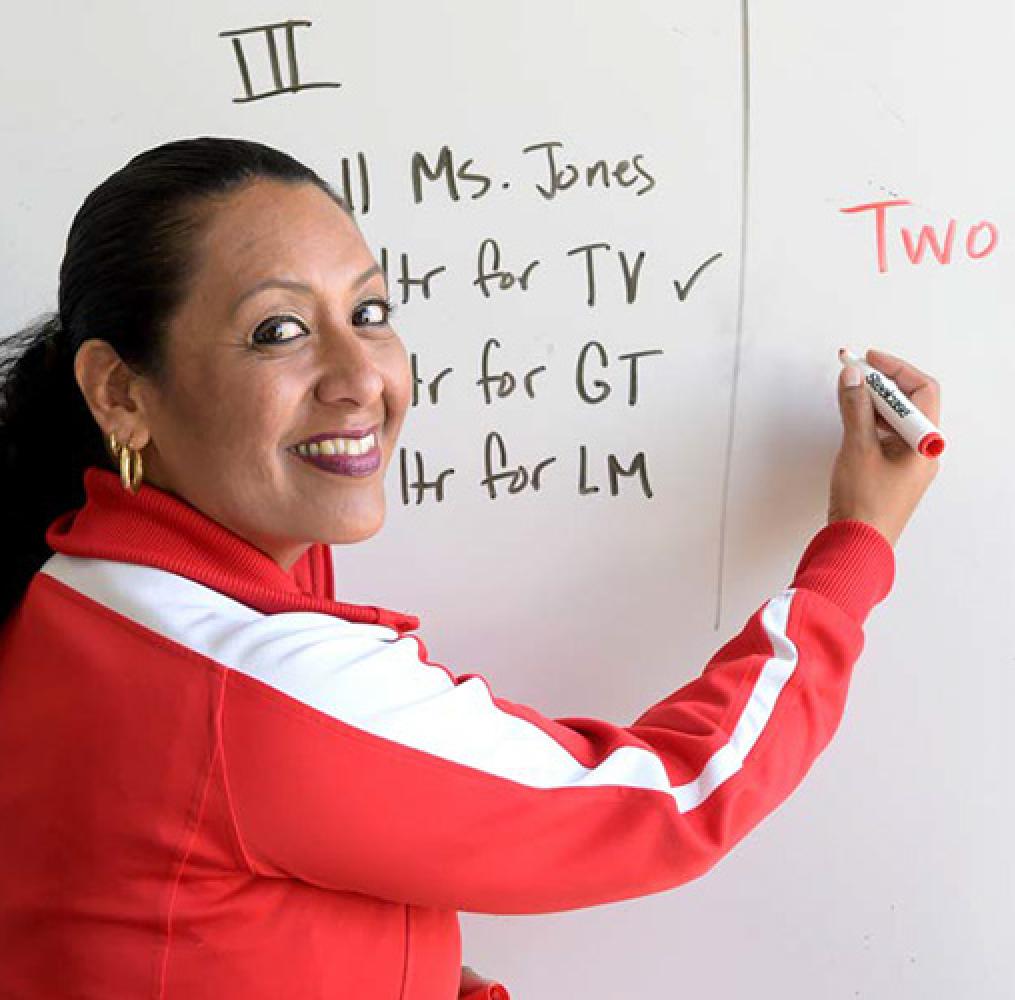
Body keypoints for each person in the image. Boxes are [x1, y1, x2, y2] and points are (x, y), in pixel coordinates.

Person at [0, 136, 940, 1000]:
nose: (361, 376)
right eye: (278, 332)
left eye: (369, 312)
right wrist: (858, 542)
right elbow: (676, 797)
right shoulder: (249, 685)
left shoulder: (80, 587)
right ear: (120, 392)